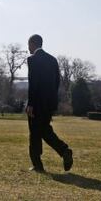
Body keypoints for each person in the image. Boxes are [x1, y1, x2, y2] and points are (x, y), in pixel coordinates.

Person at [26, 34, 73, 172]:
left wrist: (31, 104)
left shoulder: (32, 59)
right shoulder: (53, 60)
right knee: (44, 130)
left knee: (35, 133)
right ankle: (64, 151)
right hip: (49, 103)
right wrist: (52, 102)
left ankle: (38, 164)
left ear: (33, 44)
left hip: (37, 103)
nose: (28, 48)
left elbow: (33, 83)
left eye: (28, 44)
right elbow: (57, 82)